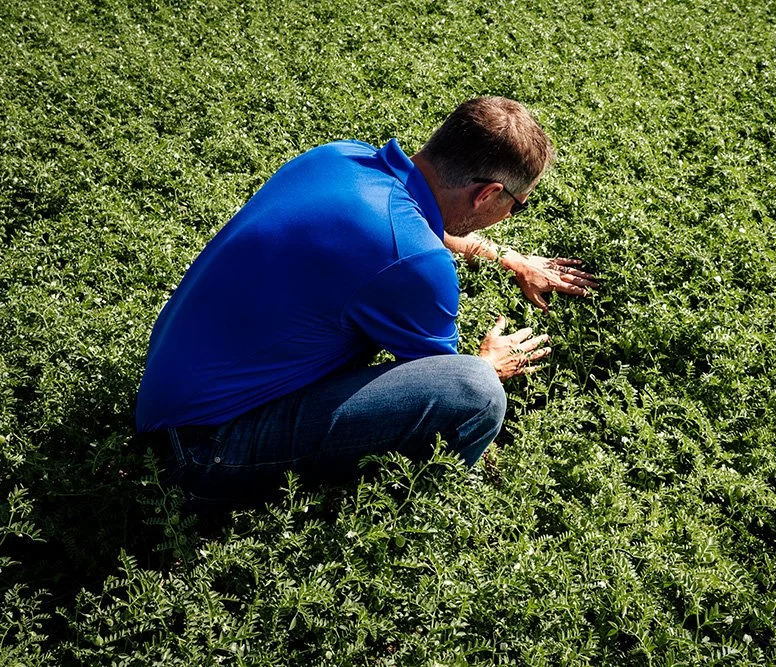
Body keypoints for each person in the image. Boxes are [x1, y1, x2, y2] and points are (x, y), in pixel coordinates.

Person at [135, 96, 596, 507]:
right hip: (201, 456)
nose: (509, 216)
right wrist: (489, 363)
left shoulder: (340, 157)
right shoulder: (415, 262)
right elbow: (439, 384)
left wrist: (508, 257)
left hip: (166, 403)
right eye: (518, 205)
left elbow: (411, 224)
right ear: (489, 194)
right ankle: (412, 514)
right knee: (475, 393)